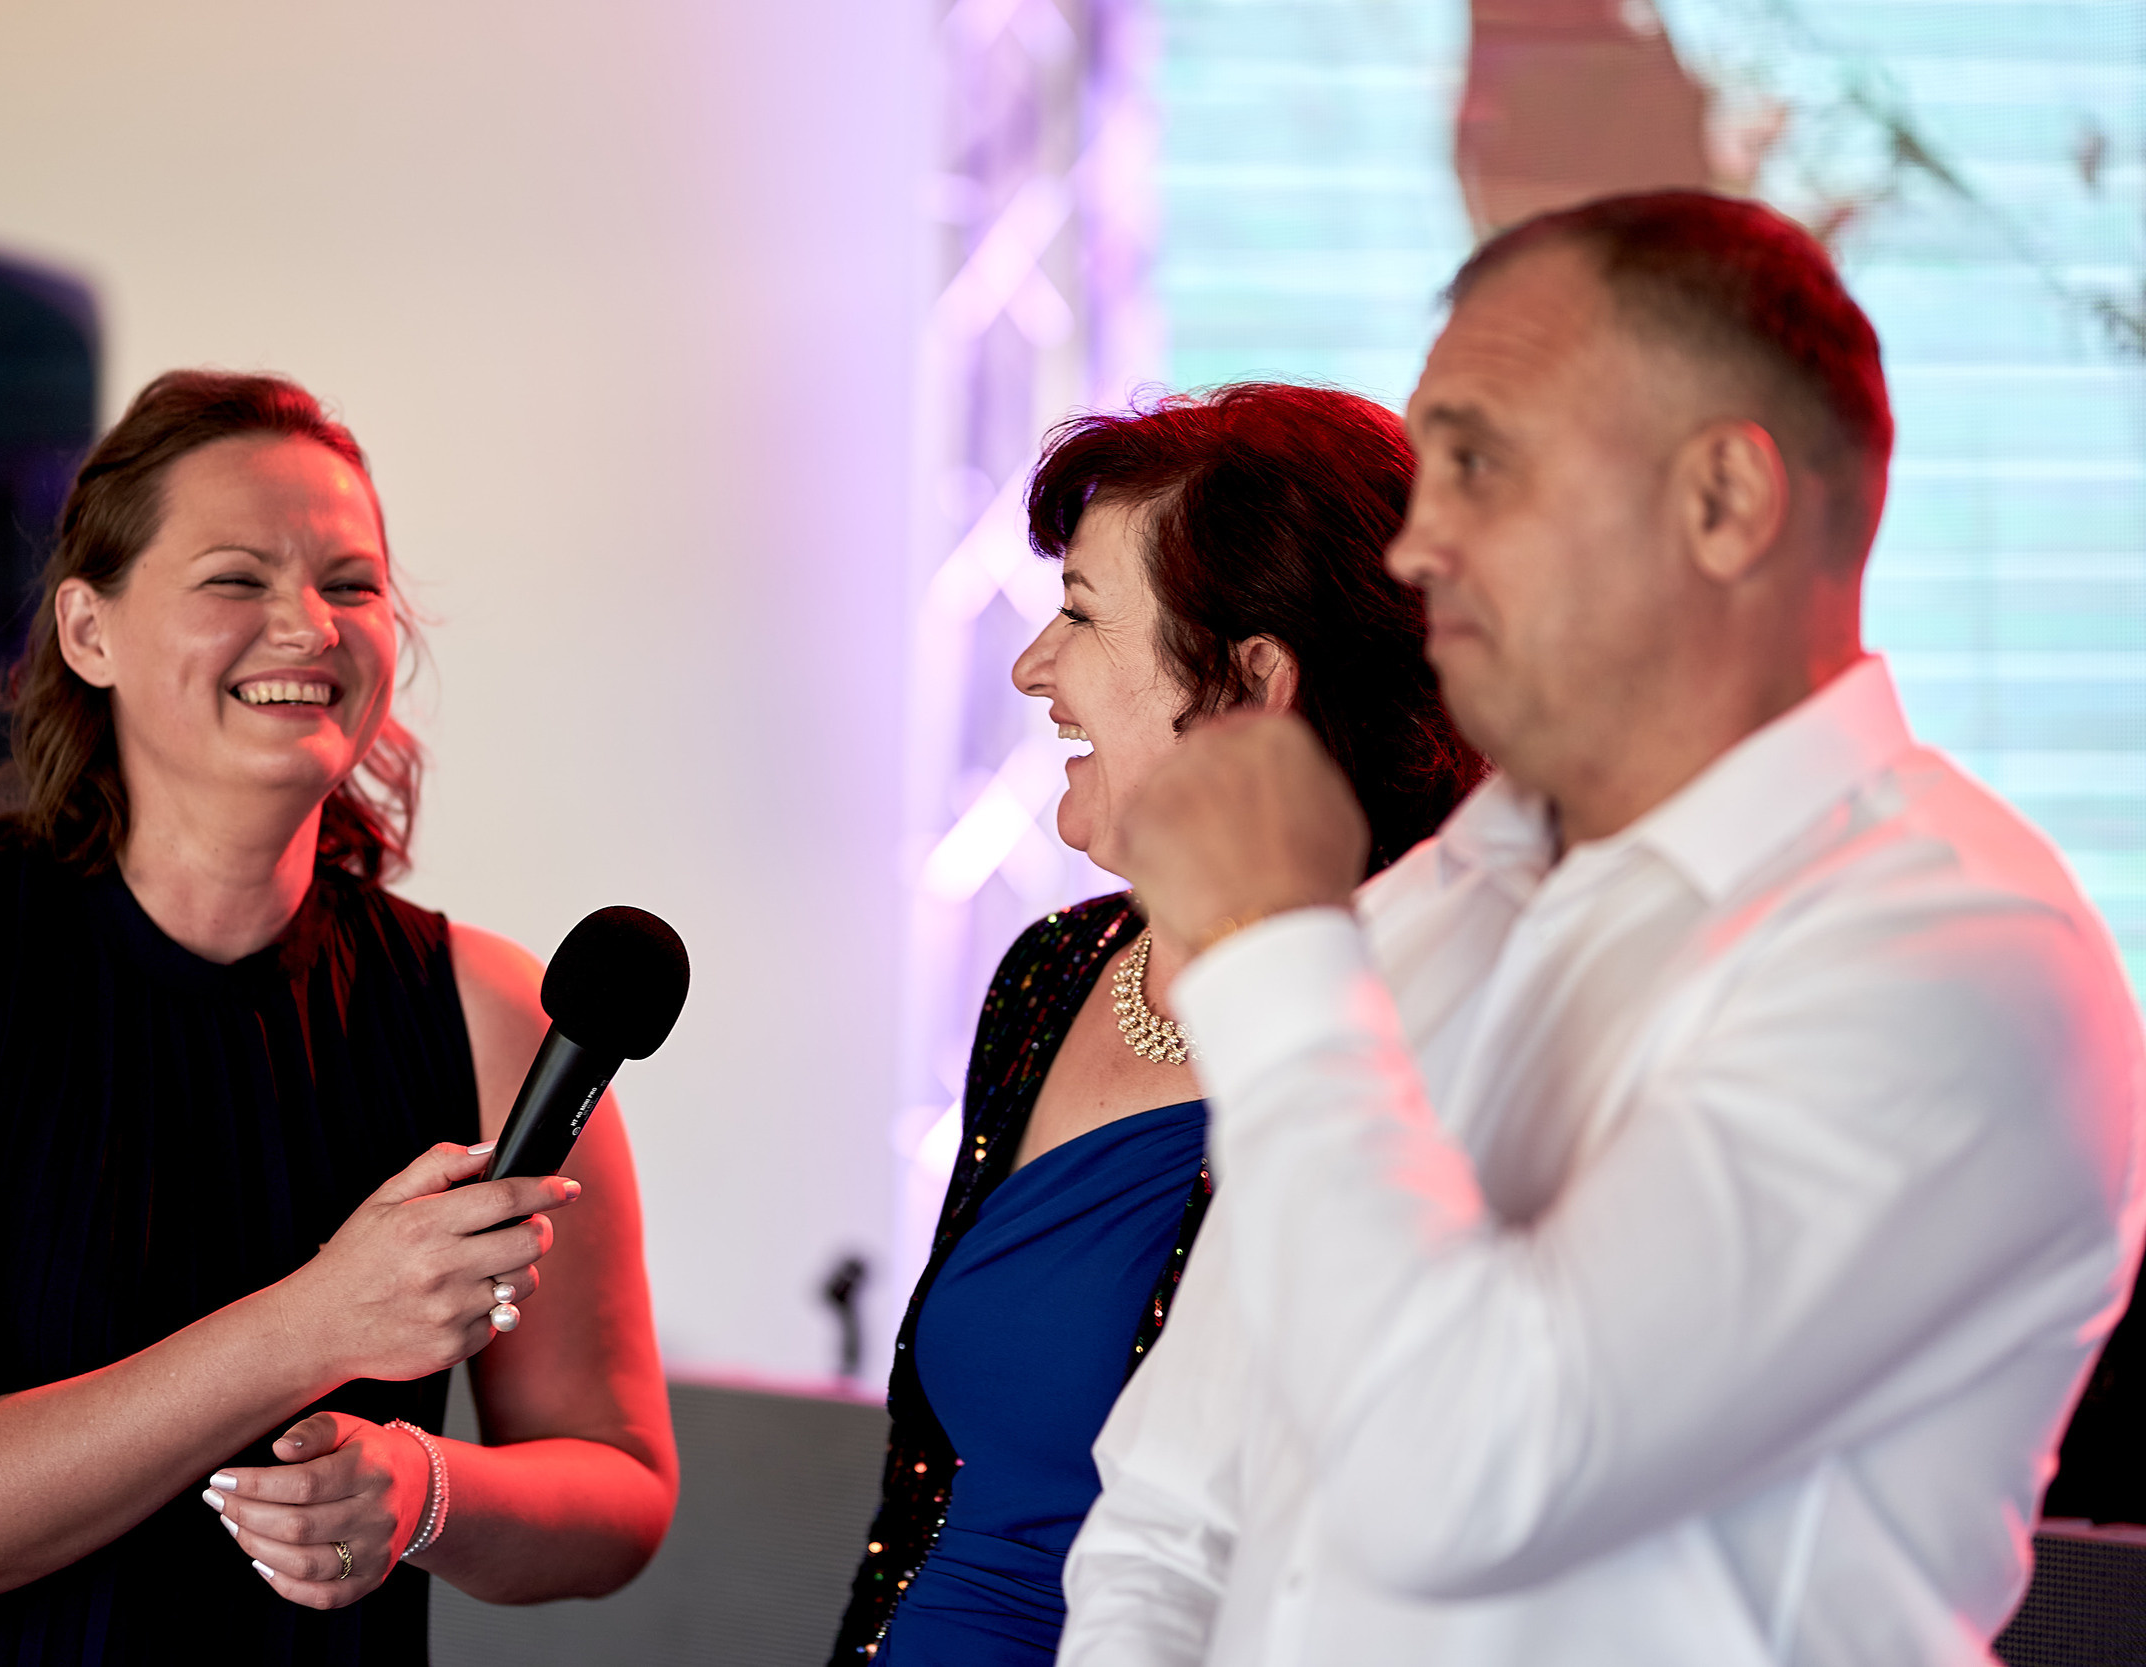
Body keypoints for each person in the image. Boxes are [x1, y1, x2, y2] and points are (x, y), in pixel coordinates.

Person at [1063, 191, 2146, 1664]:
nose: (1415, 546)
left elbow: (1471, 1469)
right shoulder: (1422, 912)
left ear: (1724, 502)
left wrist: (1266, 942)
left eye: (1480, 468)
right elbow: (1170, 1515)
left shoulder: (1957, 951)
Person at [0, 371, 677, 1664]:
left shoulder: (499, 1010)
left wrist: (423, 1489)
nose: (309, 624)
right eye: (236, 577)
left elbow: (618, 1486)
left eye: (351, 583)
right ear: (88, 631)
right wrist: (315, 1322)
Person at [833, 384, 1484, 1664]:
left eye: (1078, 615)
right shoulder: (1052, 973)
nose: (1032, 668)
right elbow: (924, 1506)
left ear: (1250, 684)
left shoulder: (1416, 1027)